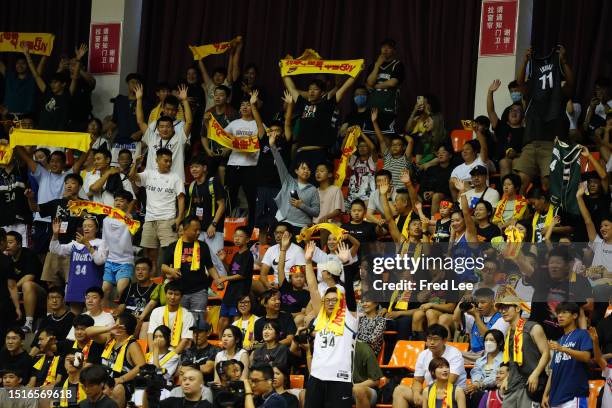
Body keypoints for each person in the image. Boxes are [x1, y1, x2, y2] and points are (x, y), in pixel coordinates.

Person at [302, 240, 358, 408]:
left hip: (339, 379)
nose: (331, 302)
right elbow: (313, 288)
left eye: (336, 300)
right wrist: (307, 261)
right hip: (317, 376)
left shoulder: (350, 317)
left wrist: (346, 264)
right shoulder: (321, 316)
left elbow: (349, 292)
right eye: (328, 300)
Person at [282, 63, 360, 175]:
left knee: (315, 187)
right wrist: (284, 70)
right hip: (300, 153)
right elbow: (291, 87)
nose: (312, 92)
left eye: (315, 89)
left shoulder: (327, 105)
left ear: (322, 93)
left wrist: (357, 71)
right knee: (293, 186)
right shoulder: (303, 104)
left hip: (317, 153)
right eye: (310, 89)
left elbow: (344, 88)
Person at [515, 46, 574, 192]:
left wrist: (564, 62)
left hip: (550, 145)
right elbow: (520, 83)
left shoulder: (558, 94)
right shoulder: (532, 93)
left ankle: (551, 213)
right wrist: (525, 61)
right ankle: (520, 213)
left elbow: (571, 83)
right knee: (519, 181)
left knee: (549, 182)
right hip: (530, 144)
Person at [129, 148, 185, 274]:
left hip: (168, 220)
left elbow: (181, 199)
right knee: (150, 257)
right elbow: (132, 176)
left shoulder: (176, 178)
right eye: (165, 161)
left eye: (170, 161)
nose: (168, 164)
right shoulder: (149, 174)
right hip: (150, 220)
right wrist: (135, 164)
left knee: (169, 257)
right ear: (157, 160)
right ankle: (153, 285)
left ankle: (166, 287)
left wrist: (179, 218)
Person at [161, 216, 222, 321]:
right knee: (180, 321)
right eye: (195, 230)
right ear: (185, 229)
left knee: (197, 322)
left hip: (199, 291)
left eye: (199, 229)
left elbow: (210, 267)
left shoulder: (203, 246)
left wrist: (218, 280)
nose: (198, 232)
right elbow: (163, 266)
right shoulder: (173, 246)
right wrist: (171, 270)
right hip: (179, 292)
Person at [495, 295, 550, 408]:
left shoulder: (533, 327)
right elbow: (511, 361)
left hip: (530, 384)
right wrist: (507, 378)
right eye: (501, 308)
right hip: (513, 384)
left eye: (507, 307)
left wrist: (535, 374)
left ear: (518, 308)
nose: (503, 311)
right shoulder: (509, 332)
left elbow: (546, 354)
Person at [222, 91, 266, 231]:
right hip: (233, 165)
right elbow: (223, 138)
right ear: (239, 109)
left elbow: (264, 139)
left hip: (251, 166)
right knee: (230, 198)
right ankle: (226, 227)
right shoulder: (234, 124)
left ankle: (252, 227)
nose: (245, 107)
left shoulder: (258, 124)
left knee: (252, 199)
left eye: (248, 104)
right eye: (243, 105)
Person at [86, 312, 146, 408]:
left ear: (121, 327)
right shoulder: (109, 338)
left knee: (118, 389)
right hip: (104, 380)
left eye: (115, 324)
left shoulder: (132, 345)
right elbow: (88, 332)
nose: (112, 325)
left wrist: (120, 379)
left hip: (123, 383)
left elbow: (142, 366)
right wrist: (108, 329)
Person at [135, 83, 193, 180]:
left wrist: (185, 100)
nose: (170, 112)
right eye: (161, 127)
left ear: (173, 128)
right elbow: (140, 121)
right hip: (153, 178)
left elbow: (189, 122)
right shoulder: (153, 129)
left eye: (173, 110)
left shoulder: (180, 131)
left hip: (173, 177)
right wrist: (139, 99)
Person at [542, 302, 593, 408]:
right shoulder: (560, 340)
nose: (560, 316)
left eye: (564, 312)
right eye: (558, 313)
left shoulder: (582, 334)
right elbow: (553, 371)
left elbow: (586, 357)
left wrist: (563, 349)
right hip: (555, 398)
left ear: (574, 315)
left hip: (574, 396)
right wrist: (545, 394)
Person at [50, 217, 108, 309]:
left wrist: (87, 244)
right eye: (84, 226)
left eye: (90, 226)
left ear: (96, 229)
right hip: (75, 284)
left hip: (92, 285)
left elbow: (99, 261)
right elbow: (55, 250)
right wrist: (55, 235)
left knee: (92, 316)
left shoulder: (101, 243)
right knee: (75, 317)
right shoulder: (75, 244)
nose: (86, 228)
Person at [268, 129, 320, 232]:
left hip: (301, 227)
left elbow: (316, 212)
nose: (306, 171)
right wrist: (272, 146)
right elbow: (280, 164)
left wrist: (301, 205)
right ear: (296, 170)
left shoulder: (313, 189)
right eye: (303, 168)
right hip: (282, 222)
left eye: (309, 169)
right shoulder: (288, 181)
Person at [185, 155, 227, 275]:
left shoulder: (213, 183)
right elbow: (190, 209)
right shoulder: (192, 186)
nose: (193, 169)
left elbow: (222, 205)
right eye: (191, 167)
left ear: (204, 168)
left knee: (217, 260)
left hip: (213, 229)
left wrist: (213, 224)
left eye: (196, 167)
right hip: (198, 230)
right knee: (197, 260)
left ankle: (223, 288)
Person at [23, 45, 74, 131]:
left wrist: (78, 60)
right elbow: (36, 75)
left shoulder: (66, 96)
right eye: (51, 83)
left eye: (55, 82)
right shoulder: (48, 92)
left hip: (58, 135)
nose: (52, 85)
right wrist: (27, 55)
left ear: (63, 84)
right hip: (42, 132)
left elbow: (75, 79)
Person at [100, 190, 135, 306]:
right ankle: (102, 317)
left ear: (128, 204)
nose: (118, 203)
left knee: (121, 290)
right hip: (110, 260)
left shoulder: (132, 221)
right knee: (105, 289)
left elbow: (134, 233)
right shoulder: (106, 219)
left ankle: (121, 317)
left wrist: (129, 219)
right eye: (116, 200)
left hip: (125, 261)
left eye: (122, 201)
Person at [5, 231, 44, 333]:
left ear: (19, 244)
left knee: (27, 285)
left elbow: (29, 277)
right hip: (17, 292)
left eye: (10, 242)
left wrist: (11, 290)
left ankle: (29, 323)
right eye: (5, 242)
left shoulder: (29, 255)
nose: (7, 245)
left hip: (39, 291)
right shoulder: (6, 258)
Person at [365, 38, 405, 135]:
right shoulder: (374, 65)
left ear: (394, 50)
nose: (385, 50)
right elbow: (369, 83)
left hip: (388, 108)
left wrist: (376, 86)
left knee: (386, 138)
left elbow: (393, 83)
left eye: (389, 48)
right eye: (383, 47)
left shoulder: (398, 65)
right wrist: (377, 65)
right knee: (370, 138)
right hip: (372, 108)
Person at [218, 226, 254, 334]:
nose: (237, 239)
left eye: (240, 236)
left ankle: (236, 343)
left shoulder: (248, 255)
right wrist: (224, 261)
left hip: (240, 293)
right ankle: (220, 343)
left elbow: (242, 275)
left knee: (236, 320)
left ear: (247, 240)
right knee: (223, 319)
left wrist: (225, 278)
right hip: (230, 292)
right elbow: (232, 272)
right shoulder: (236, 254)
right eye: (235, 236)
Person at [486, 79, 525, 178]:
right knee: (504, 162)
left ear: (523, 117)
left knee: (517, 162)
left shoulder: (526, 131)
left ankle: (516, 192)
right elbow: (490, 111)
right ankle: (507, 192)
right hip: (499, 161)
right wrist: (490, 92)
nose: (514, 112)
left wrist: (516, 155)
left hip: (518, 159)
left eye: (518, 111)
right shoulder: (502, 127)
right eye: (512, 110)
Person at [452, 288, 508, 354]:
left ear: (493, 302)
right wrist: (463, 299)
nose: (479, 306)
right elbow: (455, 318)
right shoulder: (474, 315)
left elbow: (490, 338)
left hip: (491, 355)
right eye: (477, 302)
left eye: (483, 302)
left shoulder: (502, 319)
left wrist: (476, 316)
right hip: (473, 354)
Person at [109, 72, 149, 161]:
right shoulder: (119, 100)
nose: (135, 85)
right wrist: (110, 129)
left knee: (132, 167)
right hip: (119, 140)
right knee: (115, 164)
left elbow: (148, 123)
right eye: (132, 82)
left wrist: (140, 132)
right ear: (128, 84)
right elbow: (114, 120)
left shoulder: (145, 103)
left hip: (135, 141)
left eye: (137, 83)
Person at [148, 281, 195, 354]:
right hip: (157, 352)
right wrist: (152, 353)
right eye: (170, 293)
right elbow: (151, 334)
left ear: (181, 296)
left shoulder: (187, 314)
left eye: (176, 294)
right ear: (165, 294)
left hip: (178, 353)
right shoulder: (156, 311)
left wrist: (171, 357)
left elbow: (185, 340)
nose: (172, 297)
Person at [258, 222, 306, 292]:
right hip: (273, 286)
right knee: (249, 284)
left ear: (289, 235)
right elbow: (263, 274)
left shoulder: (298, 251)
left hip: (291, 287)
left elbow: (301, 277)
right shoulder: (271, 249)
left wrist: (281, 285)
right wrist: (267, 284)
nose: (278, 235)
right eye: (276, 233)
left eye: (281, 233)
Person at [115, 258, 157, 336]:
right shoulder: (130, 287)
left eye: (143, 269)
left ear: (150, 272)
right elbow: (122, 305)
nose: (140, 272)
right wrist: (115, 315)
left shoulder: (156, 288)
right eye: (137, 270)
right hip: (126, 319)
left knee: (139, 322)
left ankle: (128, 343)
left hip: (144, 320)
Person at [372, 108, 411, 190]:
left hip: (400, 193)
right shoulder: (387, 156)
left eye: (398, 145)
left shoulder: (405, 158)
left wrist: (402, 135)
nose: (395, 147)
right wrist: (374, 122)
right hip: (386, 190)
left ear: (403, 147)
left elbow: (410, 141)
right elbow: (381, 140)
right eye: (393, 145)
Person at [29, 288, 74, 354]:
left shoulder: (71, 318)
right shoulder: (46, 319)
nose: (54, 300)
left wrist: (49, 344)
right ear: (48, 300)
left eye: (57, 297)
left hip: (63, 355)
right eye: (52, 298)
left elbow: (70, 343)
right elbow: (37, 342)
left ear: (63, 300)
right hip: (45, 355)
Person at [467, 329, 505, 408]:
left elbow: (496, 377)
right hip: (479, 389)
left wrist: (480, 384)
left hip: (496, 390)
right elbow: (476, 372)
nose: (488, 342)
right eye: (486, 340)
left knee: (476, 395)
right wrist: (476, 382)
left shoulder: (504, 359)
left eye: (491, 340)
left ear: (500, 342)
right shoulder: (480, 360)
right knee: (467, 392)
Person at [352, 340, 383, 408]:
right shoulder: (334, 351)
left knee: (358, 390)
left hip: (367, 390)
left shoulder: (364, 348)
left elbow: (375, 381)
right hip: (343, 390)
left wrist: (352, 387)